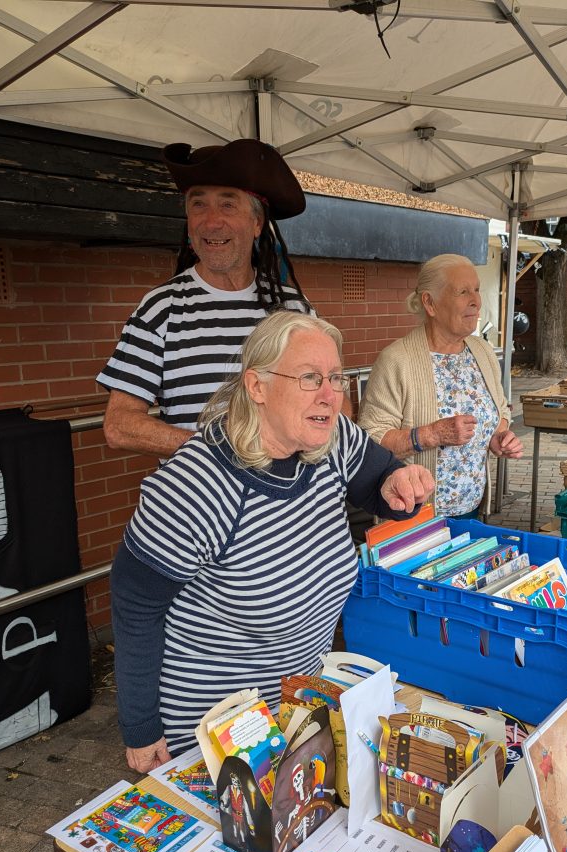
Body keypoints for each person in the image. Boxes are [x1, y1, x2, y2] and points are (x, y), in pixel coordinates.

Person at [111, 310, 434, 772]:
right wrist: (141, 728)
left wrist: (397, 485)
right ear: (256, 386)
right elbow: (134, 603)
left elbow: (378, 479)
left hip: (297, 708)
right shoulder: (196, 484)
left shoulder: (332, 438)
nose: (329, 395)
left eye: (335, 378)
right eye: (309, 377)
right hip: (217, 731)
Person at [97, 139, 312, 458]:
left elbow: (334, 400)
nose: (211, 221)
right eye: (199, 204)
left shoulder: (293, 307)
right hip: (197, 505)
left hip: (287, 500)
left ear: (256, 223)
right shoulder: (161, 309)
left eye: (227, 204)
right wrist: (219, 452)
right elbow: (120, 424)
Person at [358, 254, 522, 519]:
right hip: (413, 517)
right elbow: (369, 440)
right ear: (430, 303)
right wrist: (433, 435)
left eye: (477, 289)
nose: (476, 300)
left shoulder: (483, 351)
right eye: (462, 291)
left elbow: (500, 409)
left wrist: (498, 437)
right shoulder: (397, 359)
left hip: (472, 511)